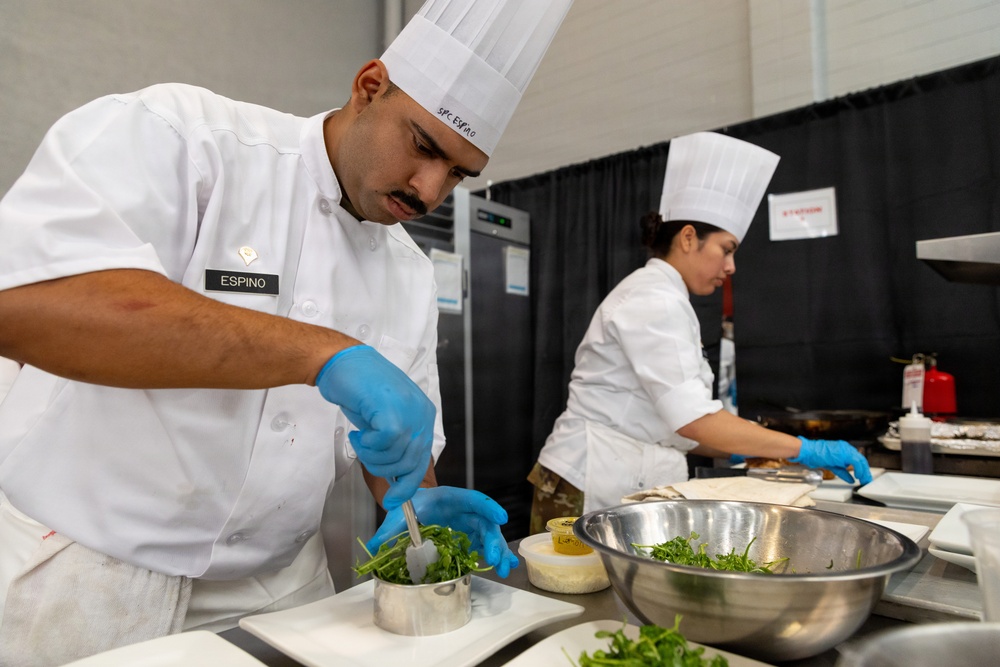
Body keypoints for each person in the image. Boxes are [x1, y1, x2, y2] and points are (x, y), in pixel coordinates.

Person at [0, 0, 573, 663]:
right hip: (90, 571)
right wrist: (323, 353)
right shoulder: (192, 141)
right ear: (368, 87)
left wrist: (421, 494)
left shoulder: (410, 273)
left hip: (281, 590)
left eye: (458, 174)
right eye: (423, 146)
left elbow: (395, 445)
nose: (430, 190)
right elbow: (25, 301)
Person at [527, 131, 873, 532]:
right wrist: (804, 448)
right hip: (586, 480)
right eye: (726, 249)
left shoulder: (668, 298)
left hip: (617, 474)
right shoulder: (654, 299)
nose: (731, 267)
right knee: (574, 591)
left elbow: (681, 425)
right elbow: (695, 421)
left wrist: (766, 452)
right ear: (689, 237)